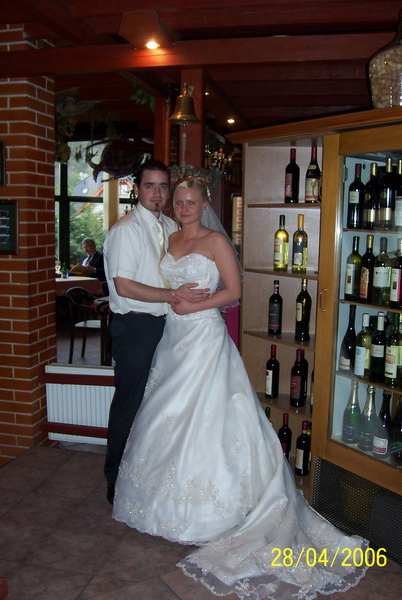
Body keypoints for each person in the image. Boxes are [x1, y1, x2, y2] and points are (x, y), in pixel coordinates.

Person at [113, 176, 369, 600]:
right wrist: (173, 299)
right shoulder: (170, 239)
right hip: (173, 339)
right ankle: (164, 505)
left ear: (204, 204)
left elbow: (233, 290)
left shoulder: (216, 241)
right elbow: (158, 287)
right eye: (179, 202)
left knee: (207, 416)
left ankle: (215, 512)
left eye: (191, 201)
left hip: (204, 338)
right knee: (165, 415)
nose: (184, 207)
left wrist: (196, 304)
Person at [103, 161, 209, 505]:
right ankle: (115, 478)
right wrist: (172, 295)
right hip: (136, 326)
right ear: (137, 189)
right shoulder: (126, 230)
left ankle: (147, 478)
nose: (158, 193)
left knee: (157, 406)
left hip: (168, 325)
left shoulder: (170, 225)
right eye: (150, 186)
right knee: (130, 403)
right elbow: (124, 285)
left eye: (164, 186)